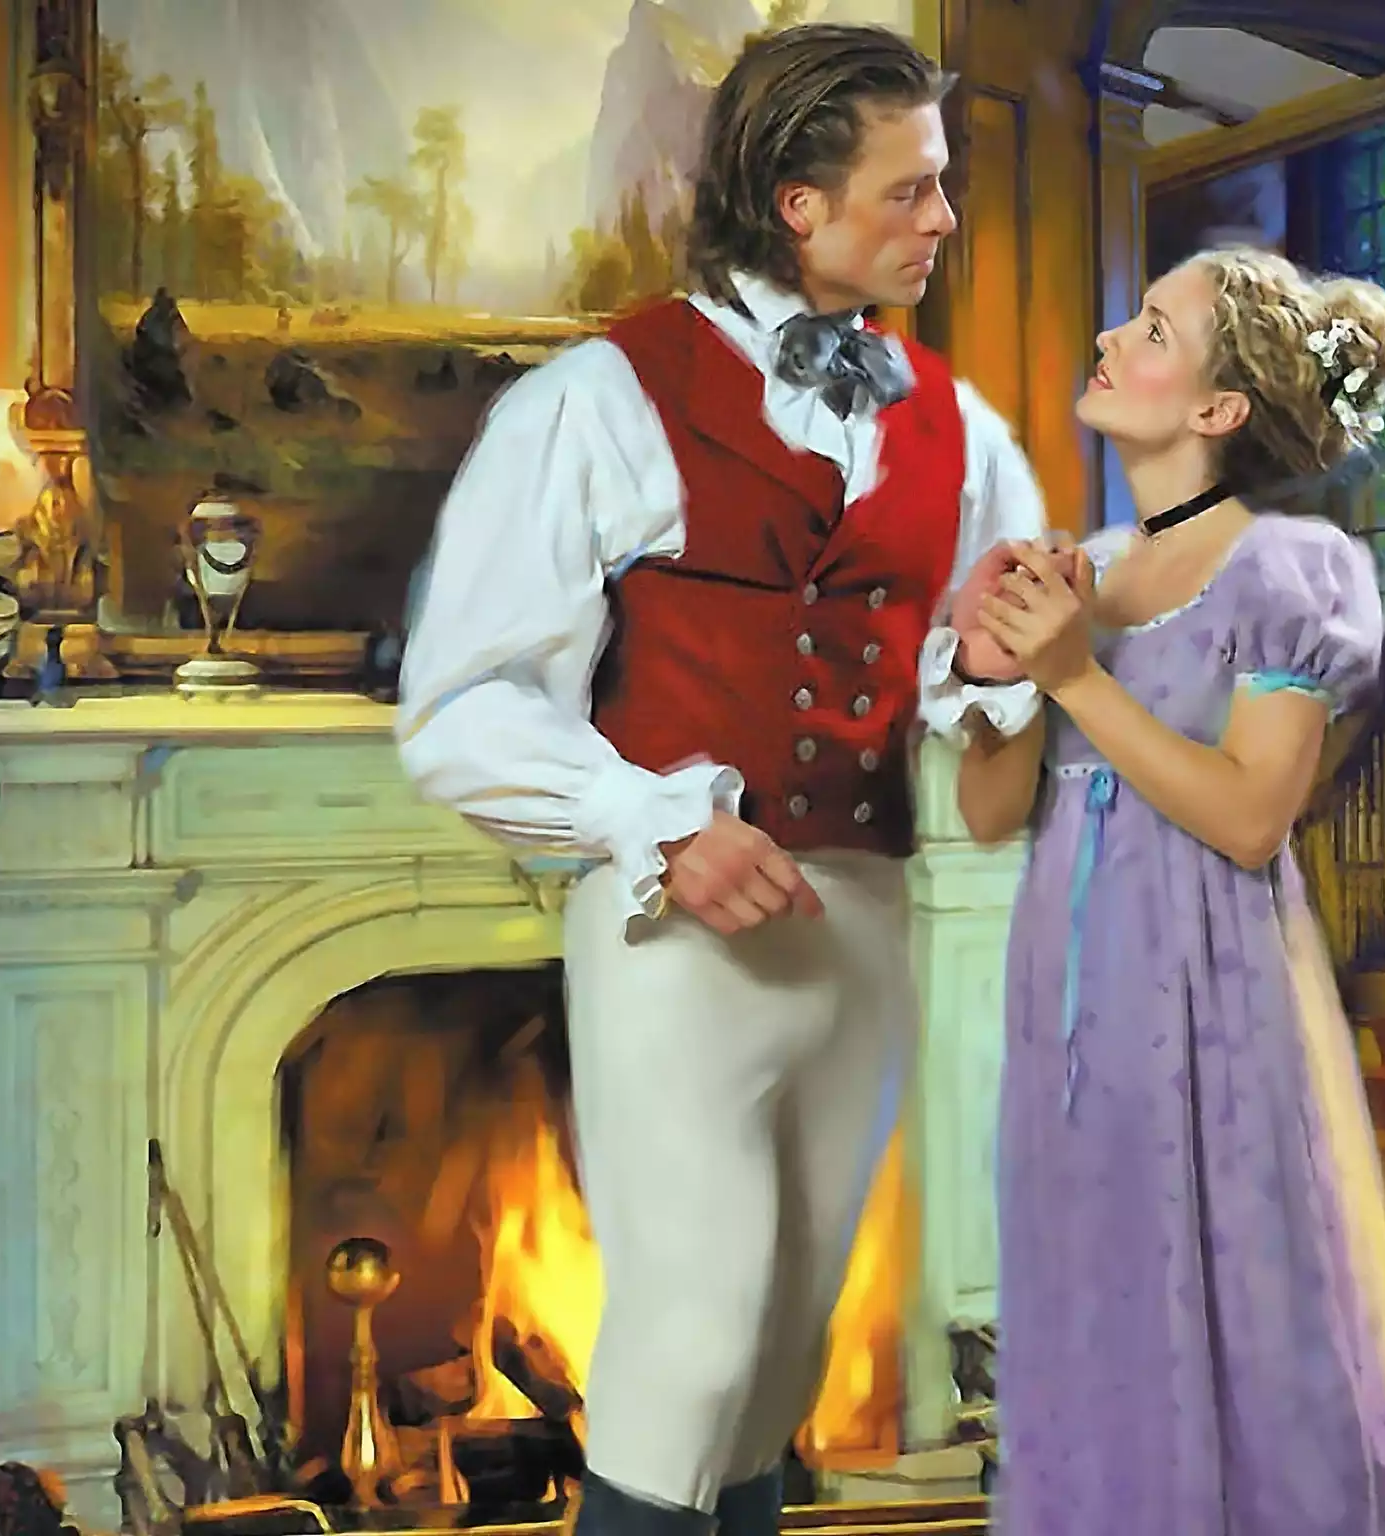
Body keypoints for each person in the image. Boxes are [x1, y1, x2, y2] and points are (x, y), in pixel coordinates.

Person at [394, 23, 1044, 1536]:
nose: (945, 220)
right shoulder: (597, 400)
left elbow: (981, 693)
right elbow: (462, 706)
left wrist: (1012, 667)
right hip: (675, 935)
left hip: (865, 933)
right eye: (912, 189)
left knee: (777, 1362)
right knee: (689, 1346)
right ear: (800, 204)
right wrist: (659, 822)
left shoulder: (961, 429)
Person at [927, 246, 1385, 1534]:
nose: (1111, 340)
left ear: (1219, 408)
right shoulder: (1082, 570)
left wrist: (1073, 675)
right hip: (1072, 1006)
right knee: (1093, 1303)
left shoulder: (1288, 570)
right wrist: (995, 670)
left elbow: (1248, 816)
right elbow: (991, 813)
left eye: (1153, 330)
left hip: (1212, 993)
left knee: (1241, 1307)